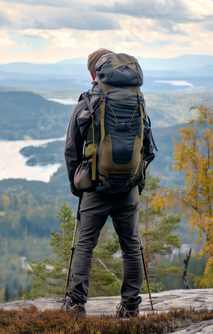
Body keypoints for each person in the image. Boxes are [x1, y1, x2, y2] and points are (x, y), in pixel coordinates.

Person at [63, 48, 156, 318]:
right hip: (128, 189)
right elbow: (148, 147)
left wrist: (76, 185)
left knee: (85, 245)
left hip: (94, 187)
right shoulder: (137, 100)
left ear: (93, 72)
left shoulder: (88, 102)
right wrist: (135, 180)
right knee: (131, 247)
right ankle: (130, 309)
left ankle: (77, 305)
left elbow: (71, 149)